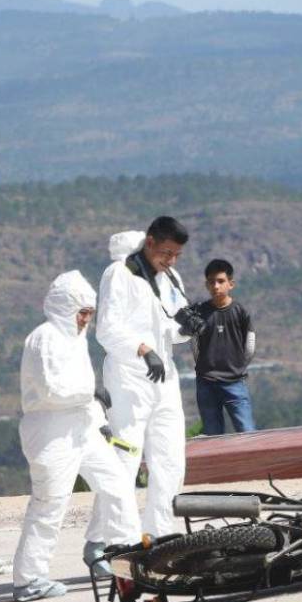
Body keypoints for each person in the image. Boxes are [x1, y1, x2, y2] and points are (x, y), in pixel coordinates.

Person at [11, 270, 142, 602]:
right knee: (49, 504)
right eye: (81, 313)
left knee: (116, 486)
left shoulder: (75, 339)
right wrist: (90, 392)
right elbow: (52, 389)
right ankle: (28, 580)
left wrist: (101, 423)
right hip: (51, 433)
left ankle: (126, 560)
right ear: (62, 307)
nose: (85, 320)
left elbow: (85, 394)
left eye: (89, 314)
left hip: (82, 429)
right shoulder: (44, 338)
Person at [89, 216, 199, 559]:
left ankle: (161, 536)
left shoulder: (171, 278)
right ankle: (107, 542)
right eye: (166, 252)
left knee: (169, 460)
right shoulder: (119, 274)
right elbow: (106, 330)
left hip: (163, 378)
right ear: (149, 242)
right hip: (128, 379)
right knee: (125, 459)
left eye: (177, 255)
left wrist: (187, 327)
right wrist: (142, 349)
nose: (171, 260)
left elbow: (171, 329)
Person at [192, 258, 257, 434]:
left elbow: (250, 346)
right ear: (206, 285)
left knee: (247, 433)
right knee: (213, 437)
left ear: (231, 284)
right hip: (206, 384)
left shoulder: (240, 312)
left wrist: (237, 367)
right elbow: (195, 345)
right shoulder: (199, 312)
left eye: (221, 281)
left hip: (234, 382)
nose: (216, 286)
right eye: (211, 282)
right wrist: (205, 368)